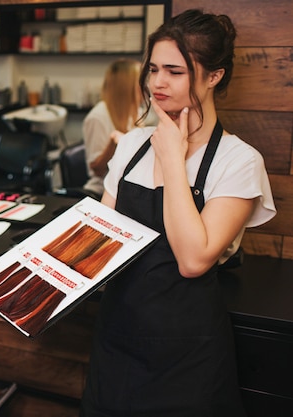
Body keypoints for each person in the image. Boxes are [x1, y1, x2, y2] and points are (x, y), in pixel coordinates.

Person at [80, 9, 276, 416]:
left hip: (187, 357)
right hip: (116, 341)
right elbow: (97, 242)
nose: (157, 83)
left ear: (213, 76)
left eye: (174, 71)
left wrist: (171, 158)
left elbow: (192, 259)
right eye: (153, 69)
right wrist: (25, 292)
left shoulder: (238, 161)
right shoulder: (132, 145)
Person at [81, 58, 146, 199]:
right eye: (140, 82)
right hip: (101, 191)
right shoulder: (98, 117)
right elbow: (97, 170)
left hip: (127, 186)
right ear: (127, 86)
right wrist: (114, 143)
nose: (147, 86)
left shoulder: (135, 112)